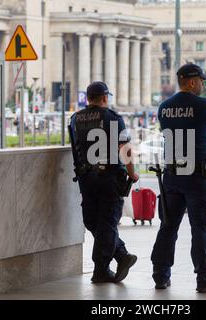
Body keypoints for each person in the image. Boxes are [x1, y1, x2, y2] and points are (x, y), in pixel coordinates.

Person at [151, 63, 206, 293]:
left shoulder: (164, 107)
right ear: (193, 82)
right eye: (202, 81)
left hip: (172, 175)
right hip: (197, 176)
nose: (203, 85)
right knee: (201, 227)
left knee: (168, 226)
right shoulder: (205, 106)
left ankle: (160, 275)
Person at [70, 81, 139, 284]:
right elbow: (124, 148)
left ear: (88, 98)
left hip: (86, 178)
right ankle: (102, 269)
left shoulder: (75, 119)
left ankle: (121, 256)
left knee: (93, 221)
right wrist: (132, 173)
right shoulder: (112, 117)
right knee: (107, 223)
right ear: (104, 98)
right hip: (109, 177)